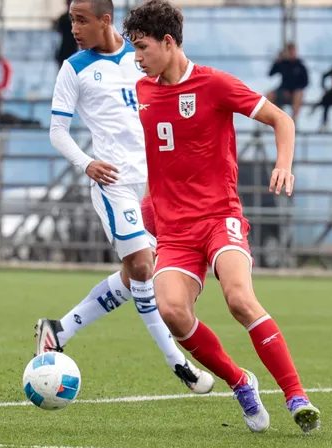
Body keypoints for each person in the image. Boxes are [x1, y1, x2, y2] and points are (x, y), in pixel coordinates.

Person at [123, 0, 321, 434]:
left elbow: (281, 119)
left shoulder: (214, 84)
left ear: (168, 42)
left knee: (239, 299)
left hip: (219, 218)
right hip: (173, 229)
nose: (136, 58)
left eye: (141, 47)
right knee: (172, 312)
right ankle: (240, 382)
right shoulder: (141, 91)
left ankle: (296, 395)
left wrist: (283, 164)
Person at [36, 0, 214, 397]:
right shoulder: (74, 67)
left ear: (106, 20)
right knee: (143, 267)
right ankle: (178, 363)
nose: (74, 28)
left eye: (81, 20)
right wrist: (87, 163)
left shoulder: (143, 56)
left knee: (137, 274)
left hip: (157, 184)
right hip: (113, 181)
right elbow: (57, 131)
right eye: (71, 21)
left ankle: (59, 329)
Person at [266, 42, 309, 121]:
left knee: (299, 94)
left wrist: (294, 89)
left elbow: (305, 82)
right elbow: (270, 74)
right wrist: (277, 60)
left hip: (294, 92)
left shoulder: (300, 65)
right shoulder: (283, 63)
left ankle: (293, 120)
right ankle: (267, 120)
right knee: (269, 95)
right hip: (282, 90)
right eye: (289, 51)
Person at [53, 0, 78, 69]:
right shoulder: (63, 18)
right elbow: (56, 29)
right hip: (64, 49)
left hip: (73, 50)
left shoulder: (76, 18)